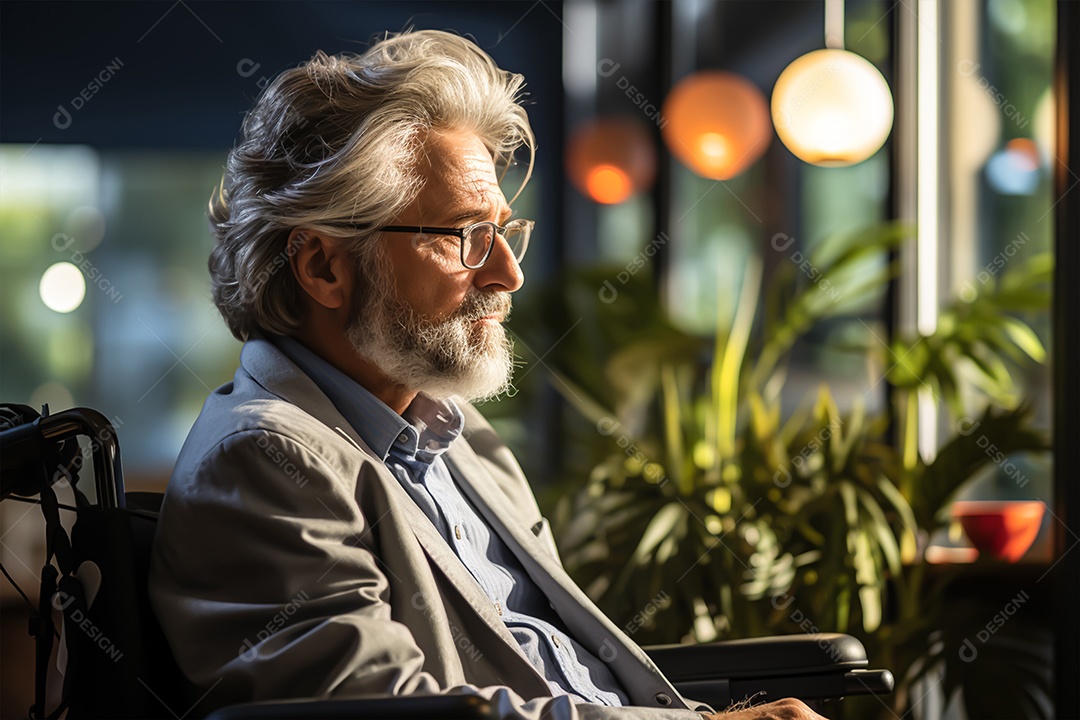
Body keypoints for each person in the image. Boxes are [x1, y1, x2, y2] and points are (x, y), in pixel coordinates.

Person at [148, 29, 825, 720]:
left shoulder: (458, 432)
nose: (510, 272)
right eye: (466, 235)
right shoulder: (265, 459)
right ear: (324, 266)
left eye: (506, 230)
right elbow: (382, 710)